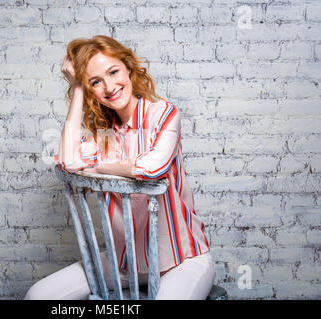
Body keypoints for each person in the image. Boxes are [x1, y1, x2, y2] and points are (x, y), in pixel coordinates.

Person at [24, 35, 215, 300]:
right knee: (39, 295)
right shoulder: (104, 133)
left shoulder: (163, 113)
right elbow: (67, 164)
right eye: (95, 82)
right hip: (127, 264)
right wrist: (78, 89)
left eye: (113, 72)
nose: (109, 86)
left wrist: (99, 167)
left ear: (128, 67)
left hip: (182, 259)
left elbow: (150, 169)